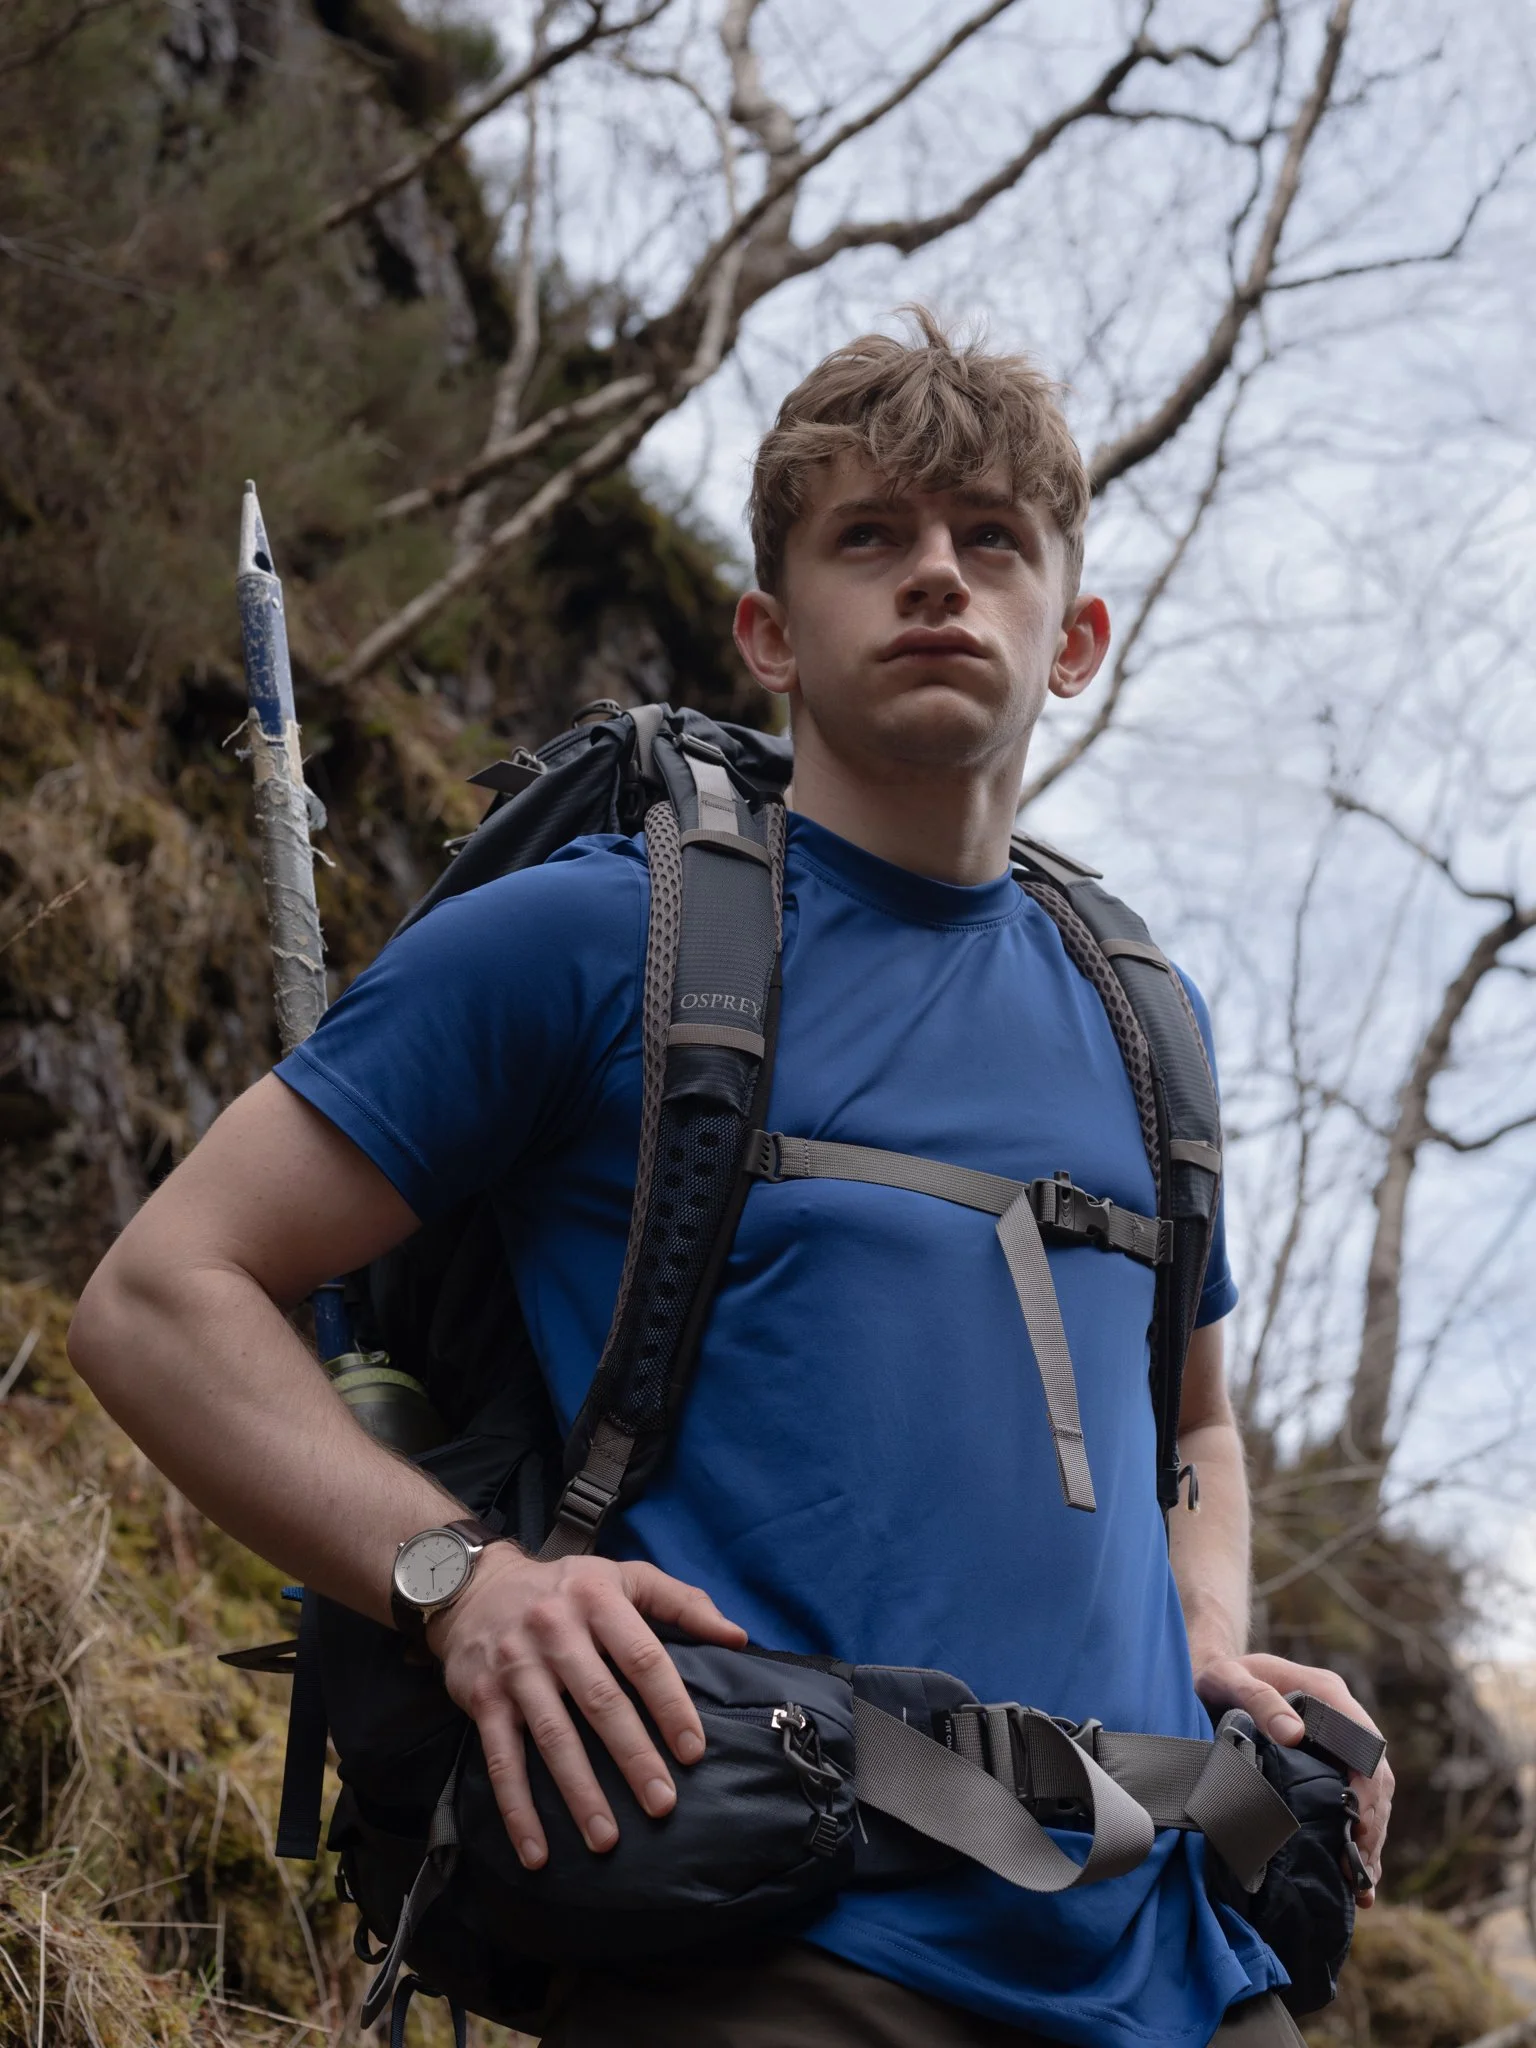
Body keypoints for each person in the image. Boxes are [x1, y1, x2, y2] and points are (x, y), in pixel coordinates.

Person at [68, 310, 1392, 2048]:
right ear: (770, 632)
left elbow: (1192, 1429)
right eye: (872, 537)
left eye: (990, 537)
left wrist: (1208, 1638)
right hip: (777, 1944)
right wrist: (457, 1578)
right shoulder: (596, 940)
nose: (936, 575)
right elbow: (160, 1298)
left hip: (1182, 1965)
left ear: (1073, 637)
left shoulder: (1147, 1023)